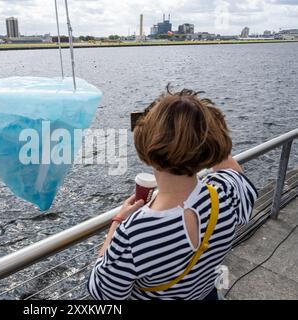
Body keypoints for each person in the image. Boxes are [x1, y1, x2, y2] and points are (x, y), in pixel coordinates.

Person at [88, 87, 258, 300]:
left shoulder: (133, 233)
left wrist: (117, 221)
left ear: (144, 145)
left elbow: (103, 293)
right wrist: (197, 122)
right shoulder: (226, 194)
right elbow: (231, 168)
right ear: (211, 142)